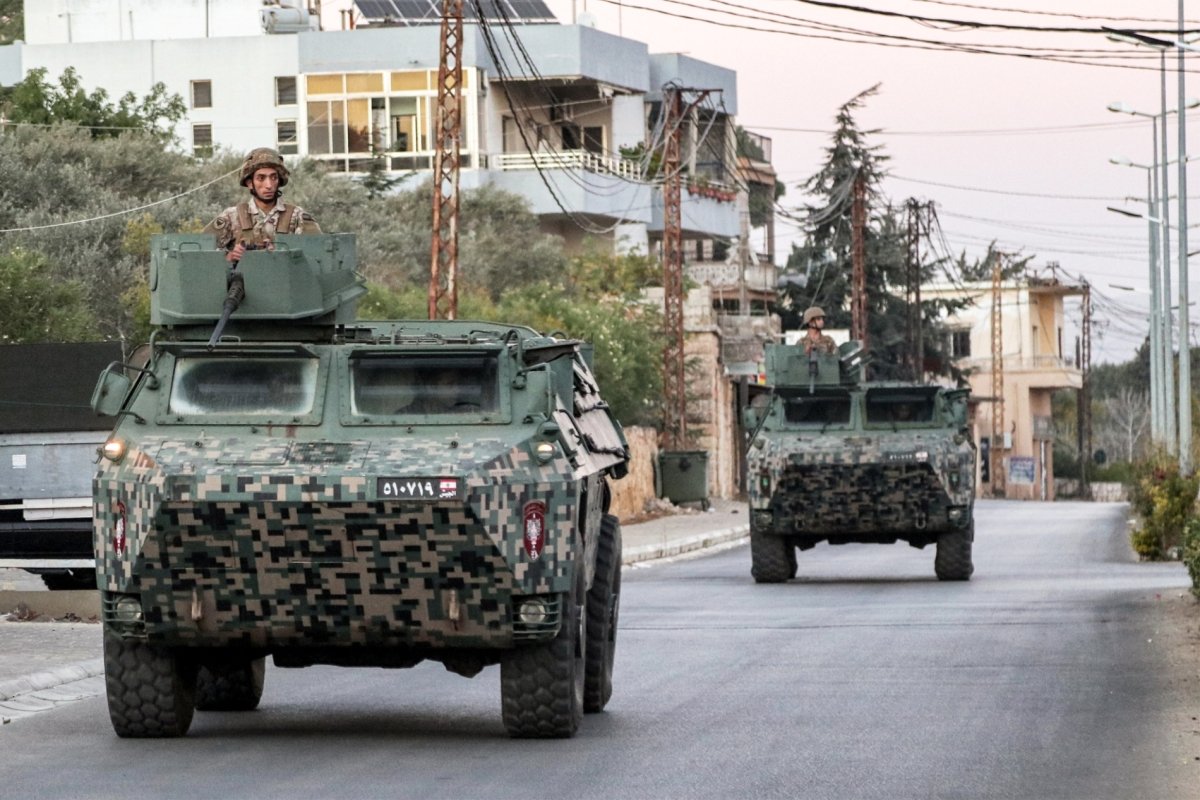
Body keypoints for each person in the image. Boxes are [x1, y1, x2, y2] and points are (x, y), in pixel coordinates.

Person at [204, 147, 321, 263]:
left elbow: (318, 255)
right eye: (261, 178)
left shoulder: (297, 217)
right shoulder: (232, 216)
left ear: (279, 181)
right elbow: (200, 253)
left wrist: (281, 253)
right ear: (250, 183)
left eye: (274, 177)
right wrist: (230, 256)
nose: (269, 185)